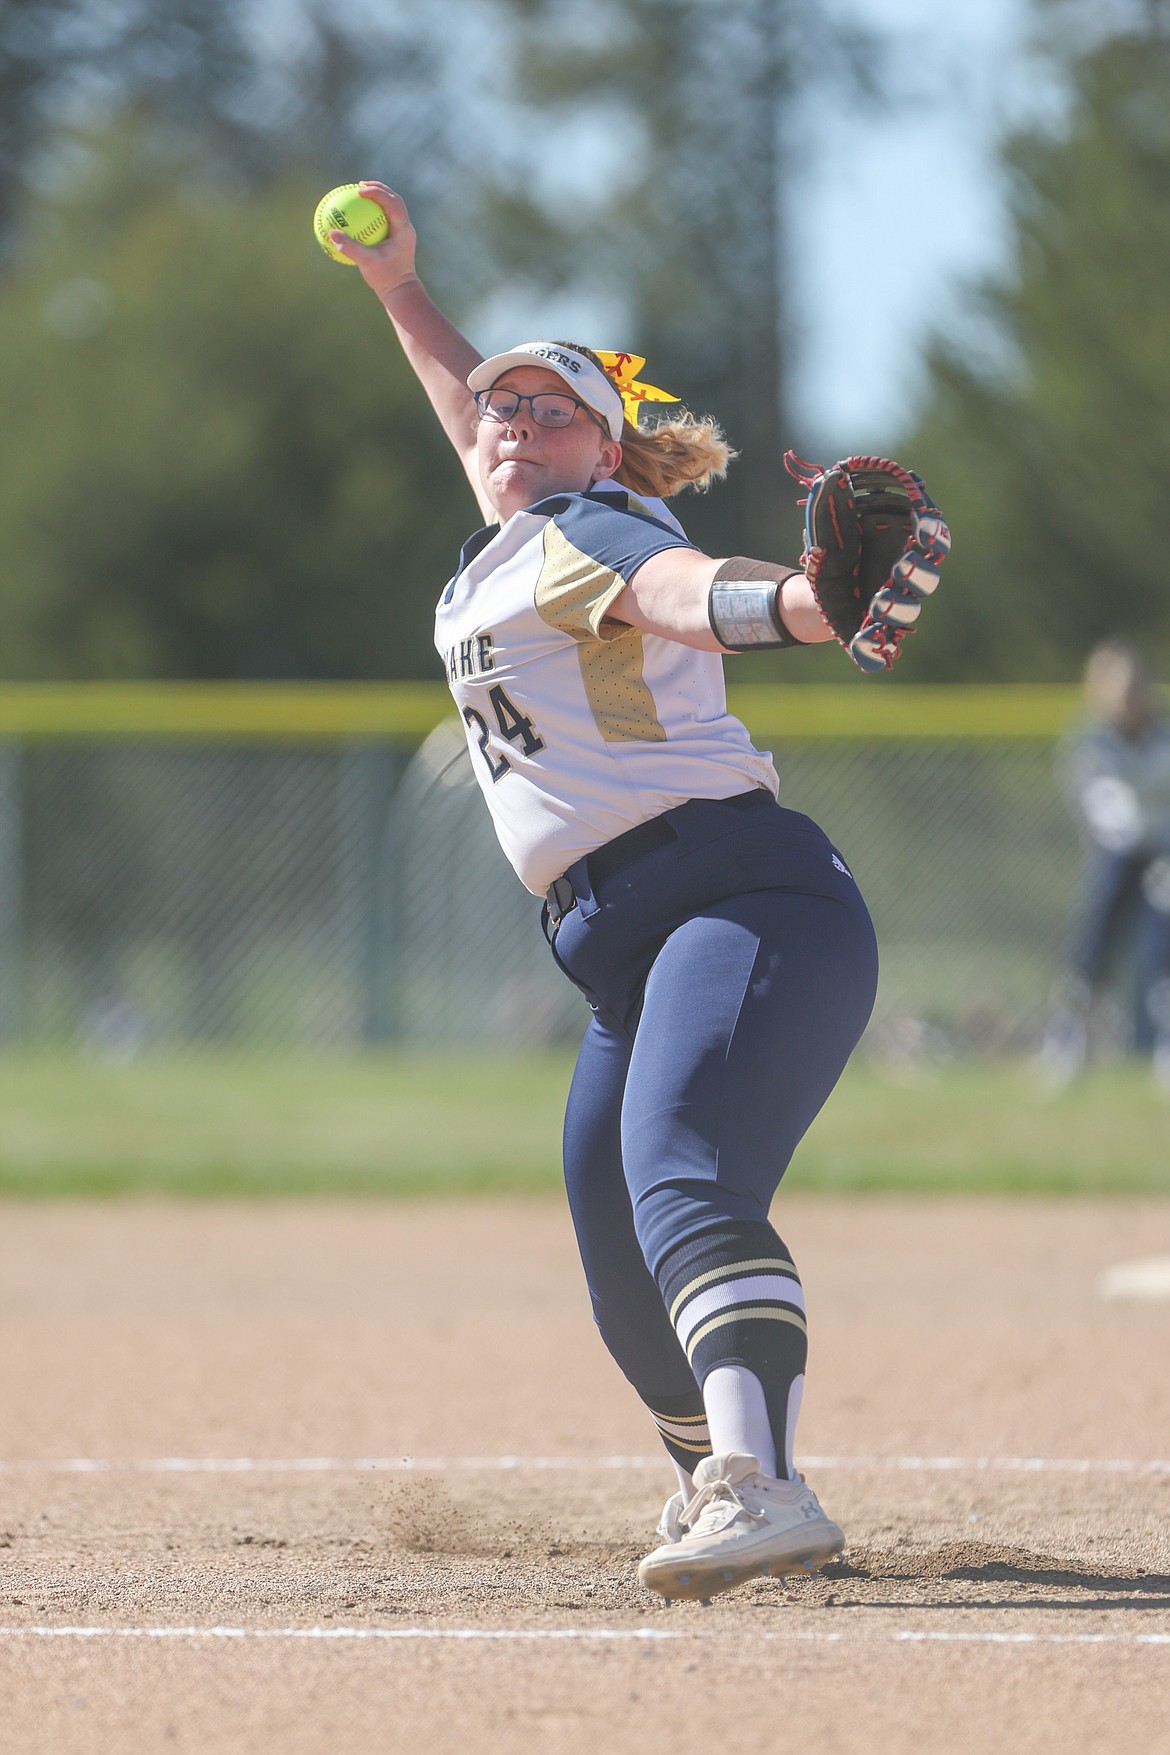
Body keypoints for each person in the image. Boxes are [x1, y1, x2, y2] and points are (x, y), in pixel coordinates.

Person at [334, 181, 888, 1604]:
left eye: (548, 411)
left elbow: (688, 587)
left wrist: (810, 607)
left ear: (607, 447)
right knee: (619, 1264)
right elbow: (466, 402)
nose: (510, 425)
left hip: (739, 896)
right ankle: (719, 1467)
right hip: (617, 951)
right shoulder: (510, 537)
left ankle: (762, 1483)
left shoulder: (595, 528)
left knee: (682, 1170)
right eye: (501, 414)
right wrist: (401, 287)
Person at [1041, 639, 1170, 1086]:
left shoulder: (1163, 736)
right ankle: (1068, 1043)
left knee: (1161, 952)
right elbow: (1100, 811)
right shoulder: (1090, 741)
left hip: (1161, 855)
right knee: (1090, 952)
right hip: (1116, 856)